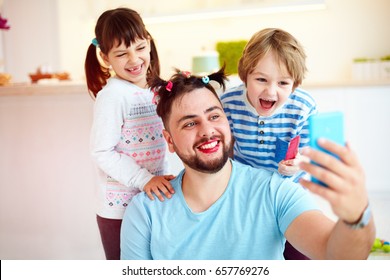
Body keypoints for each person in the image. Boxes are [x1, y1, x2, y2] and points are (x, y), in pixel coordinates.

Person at [120, 67, 375, 260]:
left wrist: (356, 216)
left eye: (214, 116)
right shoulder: (145, 213)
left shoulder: (275, 192)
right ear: (170, 140)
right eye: (190, 123)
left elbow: (339, 256)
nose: (208, 130)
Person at [84, 7, 175, 260]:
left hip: (154, 200)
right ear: (105, 57)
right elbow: (101, 152)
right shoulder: (112, 96)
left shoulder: (157, 90)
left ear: (148, 42)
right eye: (122, 54)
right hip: (120, 210)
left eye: (140, 48)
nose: (134, 60)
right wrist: (145, 179)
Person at [220, 28, 317, 259]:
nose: (270, 91)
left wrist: (300, 162)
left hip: (290, 190)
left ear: (294, 84)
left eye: (283, 83)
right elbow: (226, 152)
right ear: (245, 76)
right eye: (261, 79)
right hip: (247, 191)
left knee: (300, 253)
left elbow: (310, 152)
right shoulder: (229, 103)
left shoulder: (303, 106)